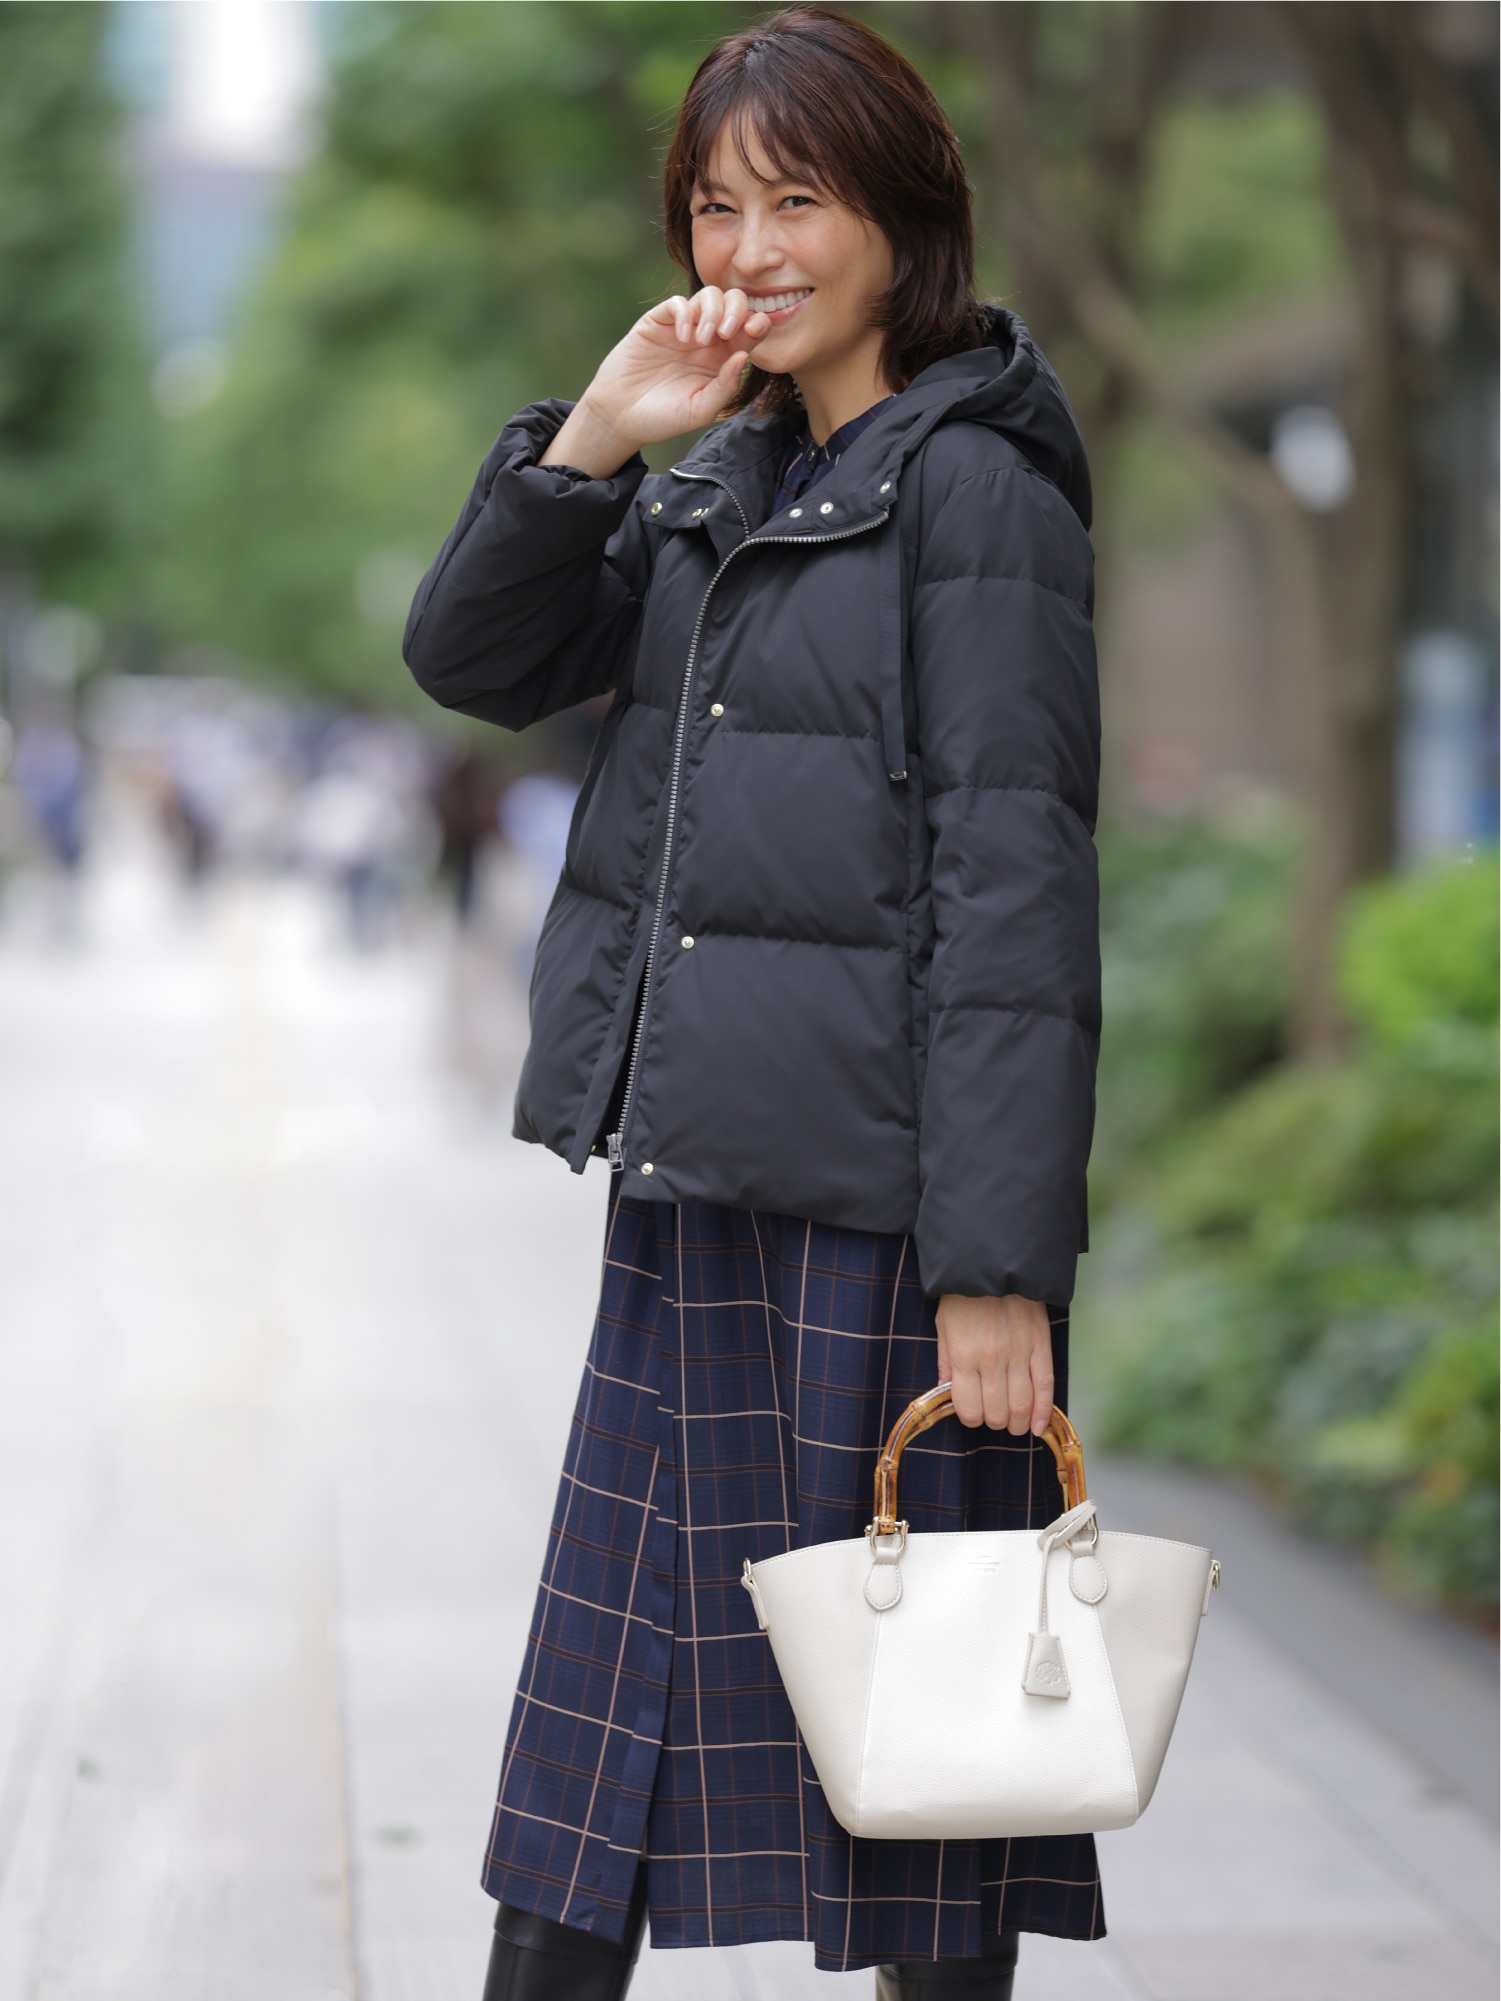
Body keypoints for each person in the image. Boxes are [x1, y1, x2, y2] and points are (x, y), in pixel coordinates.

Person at [404, 9, 1102, 1996]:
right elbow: (474, 658)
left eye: (796, 197)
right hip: (695, 1186)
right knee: (597, 1737)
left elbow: (1012, 891)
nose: (751, 246)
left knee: (929, 1760)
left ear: (899, 212)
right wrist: (597, 435)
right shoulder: (721, 478)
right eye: (716, 206)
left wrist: (995, 1268)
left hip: (889, 1221)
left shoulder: (975, 496)